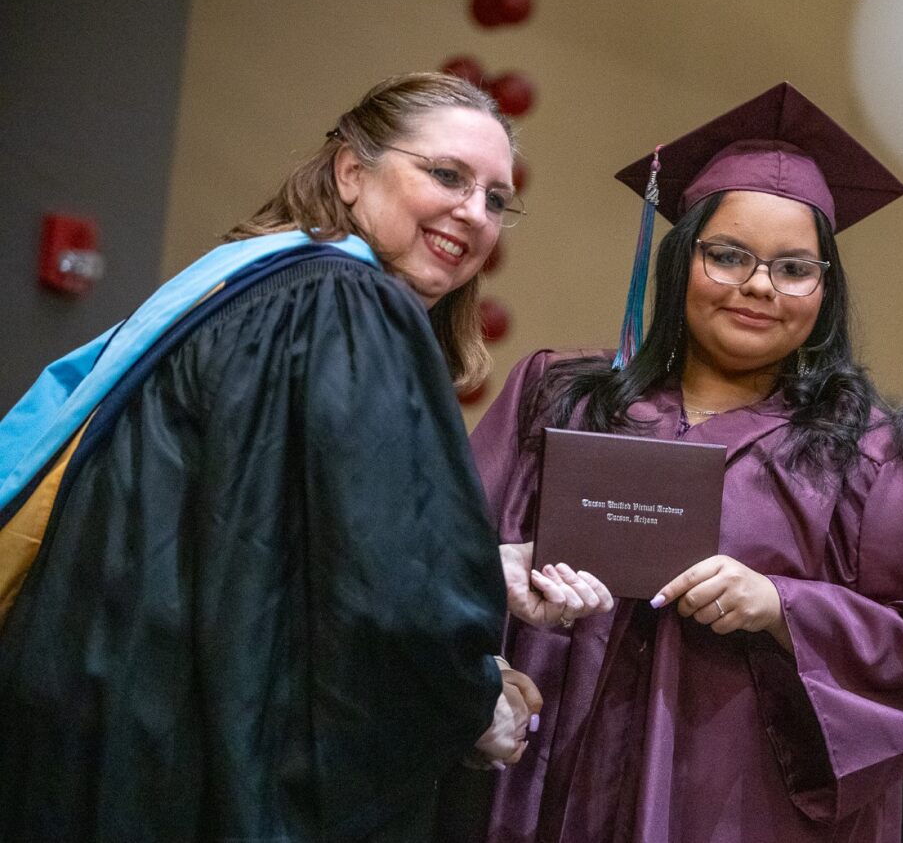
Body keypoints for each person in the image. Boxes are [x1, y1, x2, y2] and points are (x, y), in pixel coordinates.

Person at [0, 72, 541, 840]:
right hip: (190, 748)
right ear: (352, 173)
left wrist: (483, 569)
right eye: (446, 175)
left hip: (98, 713)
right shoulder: (348, 303)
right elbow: (384, 585)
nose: (473, 212)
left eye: (495, 197)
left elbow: (281, 528)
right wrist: (470, 696)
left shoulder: (247, 284)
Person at [469, 82, 903, 843]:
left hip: (741, 807)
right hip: (546, 786)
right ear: (682, 259)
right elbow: (438, 564)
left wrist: (786, 609)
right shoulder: (558, 400)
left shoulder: (869, 457)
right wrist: (481, 667)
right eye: (728, 256)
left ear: (824, 288)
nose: (759, 285)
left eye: (794, 268)